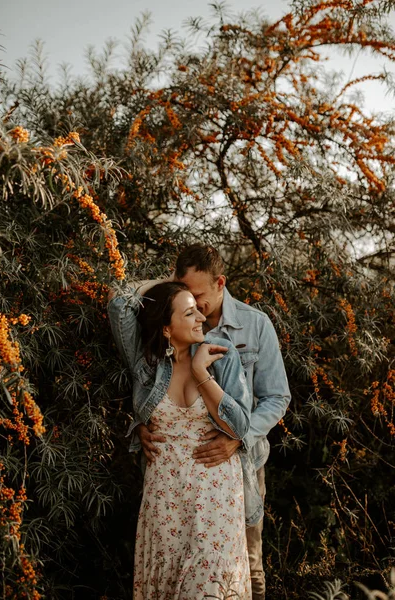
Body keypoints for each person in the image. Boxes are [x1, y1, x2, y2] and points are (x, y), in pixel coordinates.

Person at [131, 245, 291, 600]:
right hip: (173, 480)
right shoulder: (167, 334)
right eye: (184, 294)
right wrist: (142, 423)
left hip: (239, 466)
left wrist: (240, 436)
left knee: (247, 566)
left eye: (198, 295)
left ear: (221, 283)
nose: (195, 304)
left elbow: (277, 397)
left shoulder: (255, 324)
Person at [108, 279, 259, 599]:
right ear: (166, 328)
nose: (202, 318)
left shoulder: (221, 353)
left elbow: (240, 427)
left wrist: (203, 374)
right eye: (190, 313)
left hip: (215, 501)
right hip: (164, 503)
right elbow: (119, 300)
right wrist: (176, 282)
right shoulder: (147, 364)